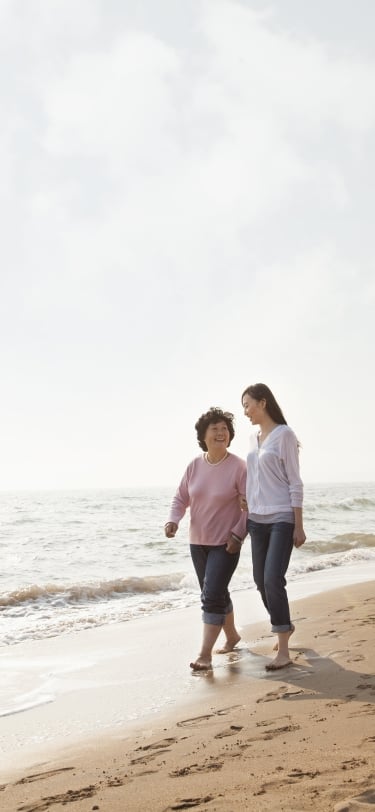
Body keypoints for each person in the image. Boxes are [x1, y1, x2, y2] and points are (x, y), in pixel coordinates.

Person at [165, 407, 247, 671]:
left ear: (230, 435)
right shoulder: (194, 465)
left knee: (211, 595)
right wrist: (173, 520)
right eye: (215, 428)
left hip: (226, 543)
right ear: (204, 435)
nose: (220, 433)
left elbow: (252, 506)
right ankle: (232, 636)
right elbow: (180, 498)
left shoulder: (239, 467)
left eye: (225, 429)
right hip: (197, 542)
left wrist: (238, 534)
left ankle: (204, 654)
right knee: (215, 591)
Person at [241, 383, 306, 671]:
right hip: (257, 520)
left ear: (263, 403)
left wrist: (298, 525)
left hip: (281, 517)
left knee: (272, 579)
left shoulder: (284, 435)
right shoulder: (253, 438)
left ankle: (283, 648)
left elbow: (295, 481)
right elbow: (253, 478)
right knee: (259, 580)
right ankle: (284, 625)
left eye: (248, 405)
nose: (245, 411)